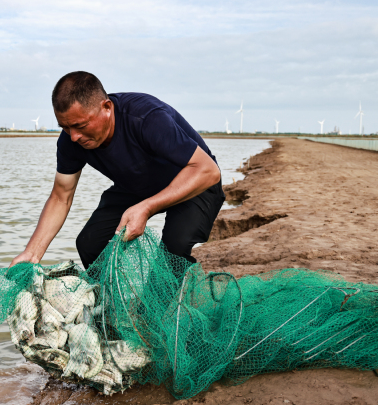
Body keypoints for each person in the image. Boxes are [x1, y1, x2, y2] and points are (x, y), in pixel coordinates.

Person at [11, 71, 224, 272]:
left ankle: (166, 297)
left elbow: (208, 171)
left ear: (106, 107)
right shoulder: (70, 140)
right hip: (137, 185)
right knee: (90, 243)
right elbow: (60, 196)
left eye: (80, 125)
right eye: (65, 127)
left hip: (195, 182)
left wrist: (146, 207)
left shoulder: (146, 118)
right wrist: (32, 252)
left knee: (175, 247)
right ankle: (110, 298)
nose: (74, 136)